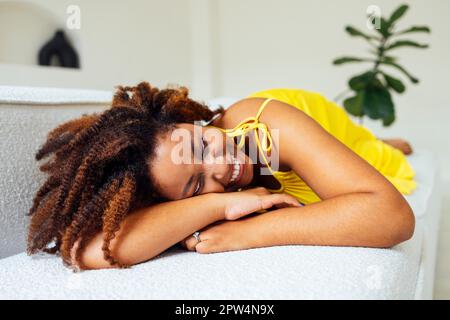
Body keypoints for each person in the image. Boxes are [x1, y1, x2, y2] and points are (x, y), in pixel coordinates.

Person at [27, 82, 416, 270]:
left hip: (309, 121)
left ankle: (384, 141)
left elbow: (391, 216)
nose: (222, 166)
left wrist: (250, 232)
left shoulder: (261, 138)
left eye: (200, 145)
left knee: (375, 152)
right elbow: (86, 250)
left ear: (190, 121)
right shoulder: (202, 196)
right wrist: (221, 202)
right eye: (197, 183)